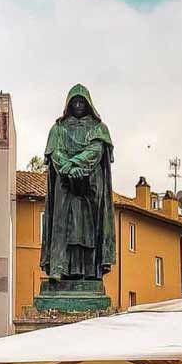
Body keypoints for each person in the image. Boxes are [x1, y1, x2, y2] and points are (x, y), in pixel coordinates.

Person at [41, 84, 115, 283]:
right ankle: (59, 267)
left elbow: (96, 150)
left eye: (82, 101)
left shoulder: (99, 129)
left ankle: (90, 270)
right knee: (61, 224)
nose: (79, 105)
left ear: (88, 103)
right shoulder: (58, 129)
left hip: (90, 182)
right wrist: (67, 170)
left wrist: (74, 165)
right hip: (64, 182)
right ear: (69, 104)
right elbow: (54, 153)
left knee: (88, 227)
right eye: (75, 101)